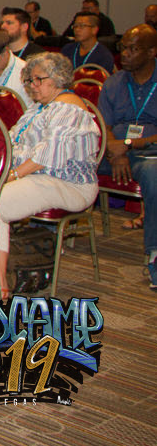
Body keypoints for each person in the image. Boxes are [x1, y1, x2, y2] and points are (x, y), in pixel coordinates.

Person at [0, 52, 100, 298]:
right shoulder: (40, 107)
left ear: (58, 78)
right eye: (30, 81)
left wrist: (10, 176)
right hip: (41, 177)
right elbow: (12, 139)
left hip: (70, 184)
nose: (32, 86)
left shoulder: (69, 108)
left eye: (38, 80)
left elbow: (46, 158)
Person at [98, 25, 157, 286]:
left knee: (155, 177)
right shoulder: (113, 82)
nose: (125, 54)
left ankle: (154, 254)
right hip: (113, 153)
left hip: (149, 154)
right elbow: (104, 125)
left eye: (133, 49)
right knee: (70, 161)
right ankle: (46, 235)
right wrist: (116, 150)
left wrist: (130, 145)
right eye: (123, 48)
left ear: (152, 52)